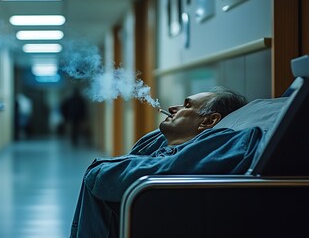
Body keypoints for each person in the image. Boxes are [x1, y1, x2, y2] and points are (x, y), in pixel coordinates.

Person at [70, 86, 264, 238]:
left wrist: (103, 168)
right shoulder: (162, 141)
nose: (173, 108)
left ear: (208, 121)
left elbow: (107, 177)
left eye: (187, 105)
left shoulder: (225, 142)